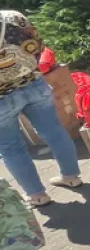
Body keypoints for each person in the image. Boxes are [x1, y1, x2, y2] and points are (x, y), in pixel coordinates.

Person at [0, 11, 83, 207]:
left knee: (11, 148)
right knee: (54, 131)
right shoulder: (13, 17)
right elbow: (38, 46)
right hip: (33, 83)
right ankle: (71, 177)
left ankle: (37, 195)